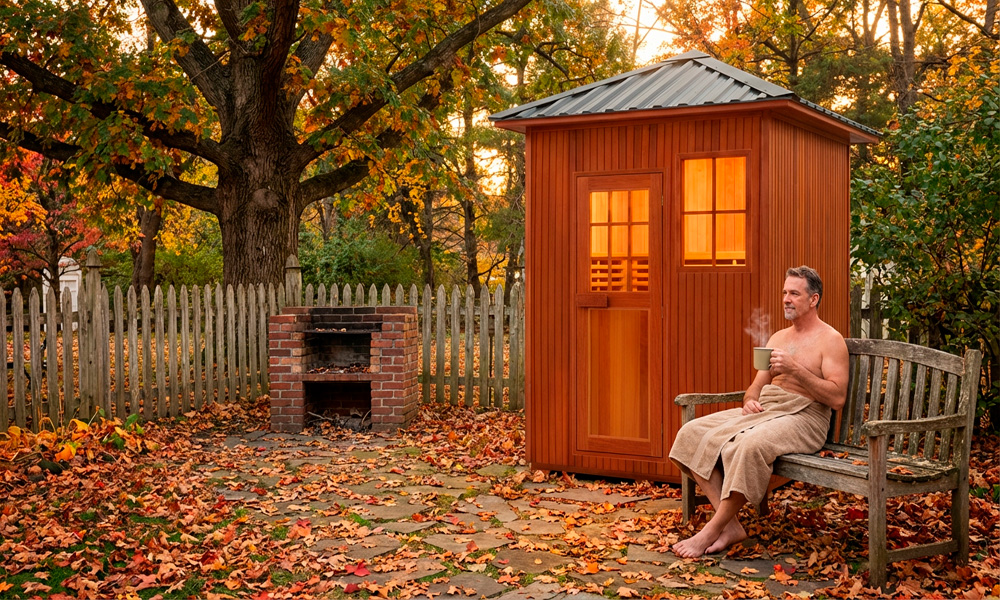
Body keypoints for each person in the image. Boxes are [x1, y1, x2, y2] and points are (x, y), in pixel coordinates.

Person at [669, 266, 850, 558]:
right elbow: (755, 387)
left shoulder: (830, 340)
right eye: (784, 293)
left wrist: (794, 369)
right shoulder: (778, 338)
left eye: (794, 293)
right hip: (769, 408)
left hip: (806, 416)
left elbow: (837, 398)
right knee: (690, 433)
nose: (786, 299)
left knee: (749, 445)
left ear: (814, 299)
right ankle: (731, 526)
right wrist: (749, 401)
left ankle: (712, 530)